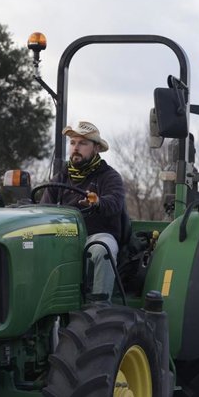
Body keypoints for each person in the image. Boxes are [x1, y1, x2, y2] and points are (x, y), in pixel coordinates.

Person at [41, 121, 126, 302]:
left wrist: (98, 202)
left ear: (95, 148)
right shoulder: (60, 178)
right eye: (72, 143)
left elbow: (115, 203)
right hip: (63, 236)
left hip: (95, 236)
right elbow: (43, 210)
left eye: (83, 143)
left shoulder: (109, 176)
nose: (76, 148)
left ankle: (100, 305)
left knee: (103, 250)